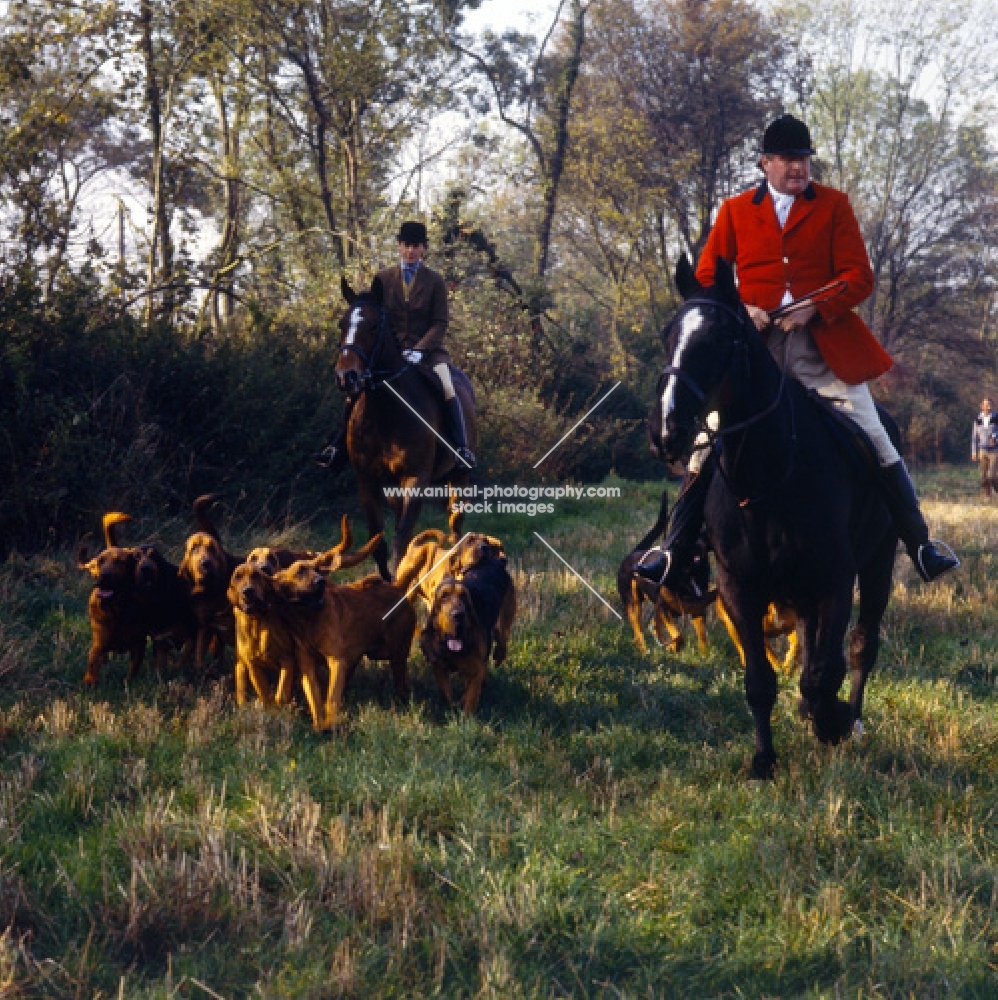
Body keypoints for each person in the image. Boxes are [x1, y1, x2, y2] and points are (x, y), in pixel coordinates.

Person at [637, 113, 958, 590]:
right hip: (756, 354)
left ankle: (920, 544)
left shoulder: (834, 206)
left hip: (822, 350)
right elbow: (706, 282)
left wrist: (816, 308)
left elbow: (859, 277)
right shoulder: (734, 211)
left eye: (804, 160)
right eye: (788, 161)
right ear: (765, 163)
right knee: (706, 443)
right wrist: (744, 308)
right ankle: (673, 549)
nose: (798, 169)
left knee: (875, 432)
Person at [315, 220, 476, 472]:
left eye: (416, 246)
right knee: (357, 389)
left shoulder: (435, 281)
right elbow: (374, 317)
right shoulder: (383, 278)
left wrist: (420, 349)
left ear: (423, 249)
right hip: (390, 352)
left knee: (447, 386)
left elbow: (439, 323)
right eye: (406, 245)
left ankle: (461, 447)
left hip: (429, 353)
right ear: (399, 247)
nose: (410, 251)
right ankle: (338, 446)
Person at [971, 397, 998, 497]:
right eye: (986, 405)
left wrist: (995, 439)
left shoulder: (996, 417)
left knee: (991, 476)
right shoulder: (978, 419)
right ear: (981, 406)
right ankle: (986, 497)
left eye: (989, 405)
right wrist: (974, 452)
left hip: (994, 451)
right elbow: (974, 436)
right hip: (982, 450)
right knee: (983, 476)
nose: (988, 407)